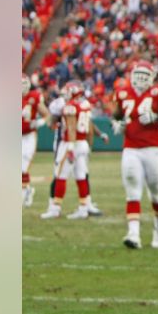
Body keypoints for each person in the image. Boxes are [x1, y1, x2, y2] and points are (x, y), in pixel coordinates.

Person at [113, 61, 158, 249]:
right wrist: (117, 123)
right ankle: (133, 234)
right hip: (131, 147)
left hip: (153, 147)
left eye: (145, 75)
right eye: (138, 74)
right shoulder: (123, 92)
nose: (141, 79)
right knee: (132, 189)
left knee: (156, 192)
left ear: (152, 78)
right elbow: (117, 114)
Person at [40, 80, 103, 220]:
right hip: (83, 144)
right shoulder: (85, 104)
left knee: (60, 176)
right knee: (81, 176)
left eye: (68, 91)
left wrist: (70, 147)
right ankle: (83, 208)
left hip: (70, 143)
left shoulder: (70, 106)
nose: (65, 94)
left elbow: (71, 127)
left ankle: (55, 208)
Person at [22, 75, 49, 207]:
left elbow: (47, 114)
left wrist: (39, 122)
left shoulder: (33, 97)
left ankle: (25, 192)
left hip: (28, 136)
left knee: (23, 165)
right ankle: (26, 190)